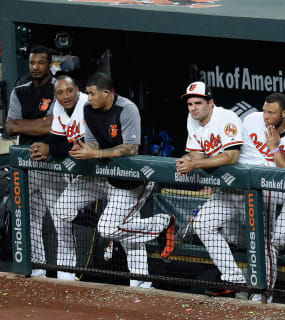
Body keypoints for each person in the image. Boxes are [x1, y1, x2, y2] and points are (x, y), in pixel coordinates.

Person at [53, 72, 174, 288]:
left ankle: (161, 226)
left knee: (110, 229)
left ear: (106, 93)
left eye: (91, 94)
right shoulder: (88, 110)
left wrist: (95, 154)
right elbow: (93, 144)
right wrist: (83, 148)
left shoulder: (127, 109)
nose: (88, 98)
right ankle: (115, 229)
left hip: (131, 179)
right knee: (62, 209)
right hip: (104, 175)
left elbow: (131, 148)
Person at [176, 81, 250, 296]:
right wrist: (186, 159)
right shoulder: (193, 120)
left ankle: (266, 296)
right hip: (225, 190)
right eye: (190, 104)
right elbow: (197, 154)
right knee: (204, 225)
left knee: (262, 241)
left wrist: (195, 164)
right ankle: (235, 280)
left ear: (210, 102)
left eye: (198, 103)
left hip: (248, 190)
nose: (193, 108)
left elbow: (231, 156)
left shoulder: (226, 118)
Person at [239, 93, 285, 301]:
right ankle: (256, 288)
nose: (265, 116)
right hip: (255, 188)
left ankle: (276, 243)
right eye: (264, 110)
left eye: (271, 113)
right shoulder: (251, 120)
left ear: (284, 114)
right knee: (261, 242)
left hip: (284, 189)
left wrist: (274, 148)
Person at [29, 75, 88, 281]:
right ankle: (65, 276)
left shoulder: (86, 105)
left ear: (77, 90)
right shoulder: (59, 108)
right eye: (61, 92)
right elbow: (57, 138)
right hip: (86, 175)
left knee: (115, 227)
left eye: (69, 91)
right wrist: (44, 147)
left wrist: (50, 148)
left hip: (110, 170)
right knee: (65, 211)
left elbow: (79, 144)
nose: (66, 96)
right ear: (55, 95)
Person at [6, 45, 56, 277]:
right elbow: (10, 126)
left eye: (41, 63)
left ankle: (68, 274)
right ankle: (38, 271)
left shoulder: (58, 88)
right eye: (32, 63)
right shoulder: (20, 89)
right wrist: (40, 124)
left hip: (52, 163)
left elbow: (51, 126)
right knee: (30, 219)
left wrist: (25, 124)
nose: (35, 67)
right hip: (25, 164)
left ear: (50, 65)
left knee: (61, 218)